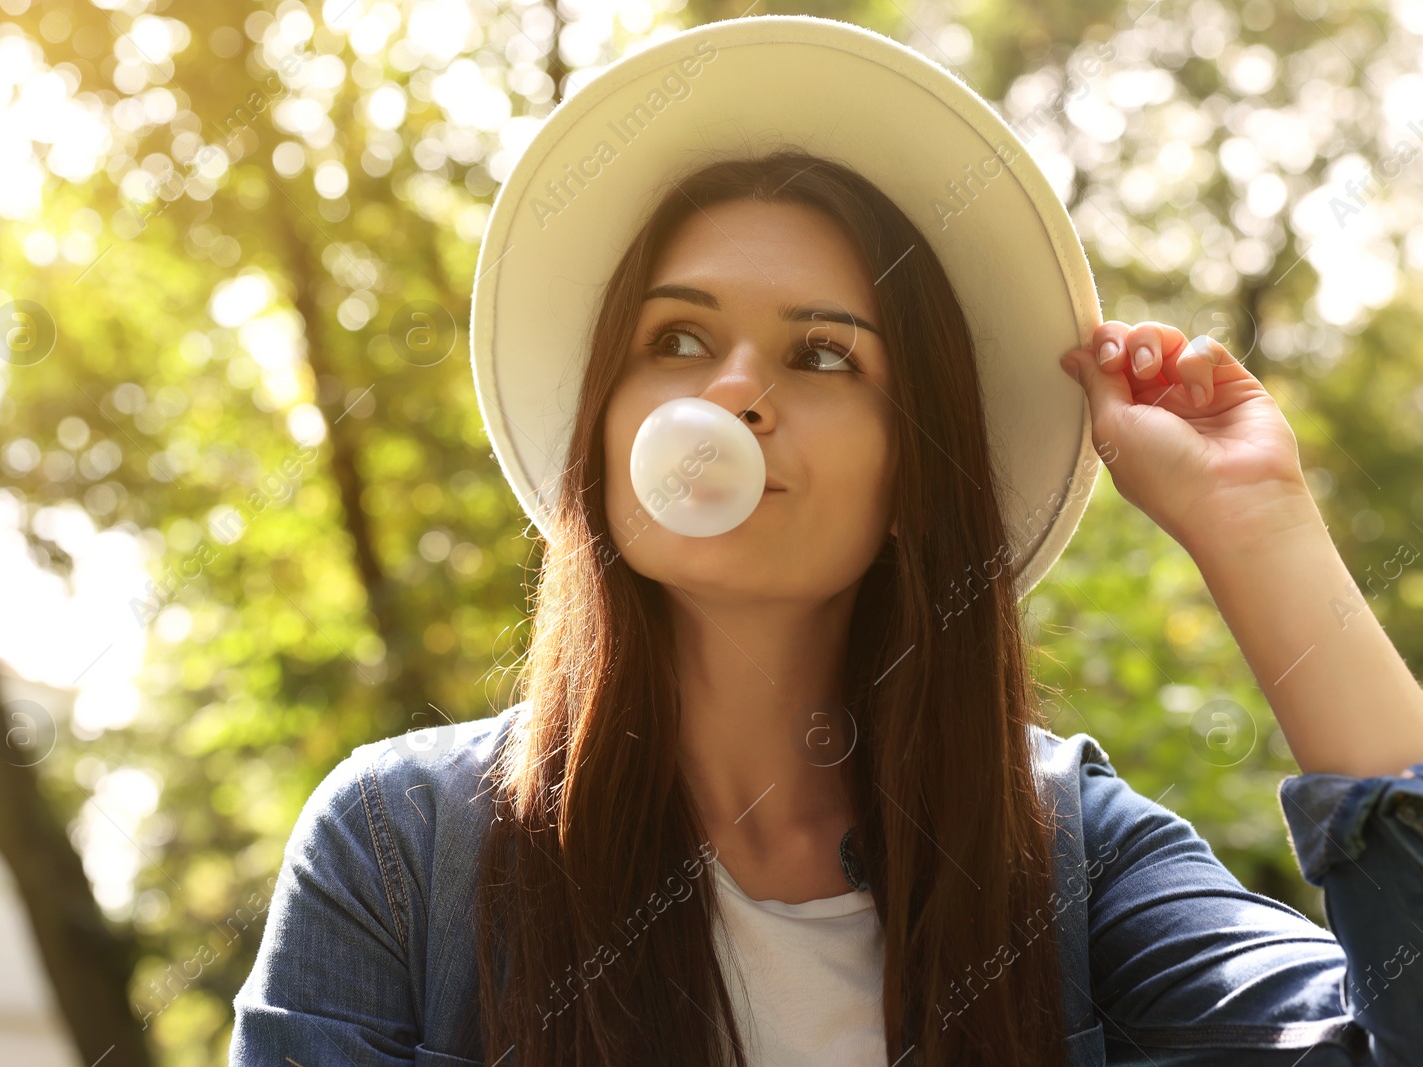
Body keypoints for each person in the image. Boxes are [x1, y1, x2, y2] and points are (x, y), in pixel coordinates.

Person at [230, 16, 1423, 1067]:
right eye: (679, 341)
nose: (734, 393)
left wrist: (1257, 525)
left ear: (916, 473)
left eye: (820, 355)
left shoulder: (1070, 864)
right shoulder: (400, 851)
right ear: (605, 421)